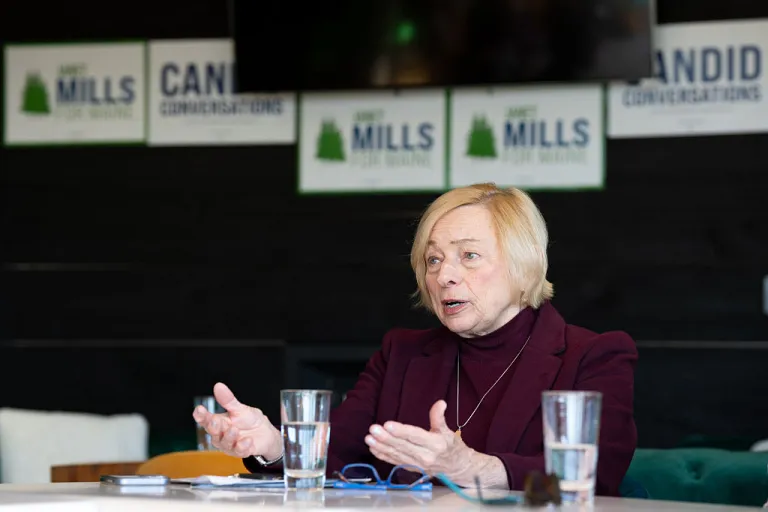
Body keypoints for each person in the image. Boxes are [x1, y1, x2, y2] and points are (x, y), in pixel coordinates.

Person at [193, 183, 637, 495]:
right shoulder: (402, 353)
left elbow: (595, 480)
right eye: (433, 259)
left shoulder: (592, 356)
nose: (445, 275)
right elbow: (340, 457)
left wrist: (473, 468)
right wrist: (273, 443)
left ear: (526, 264)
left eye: (469, 256)